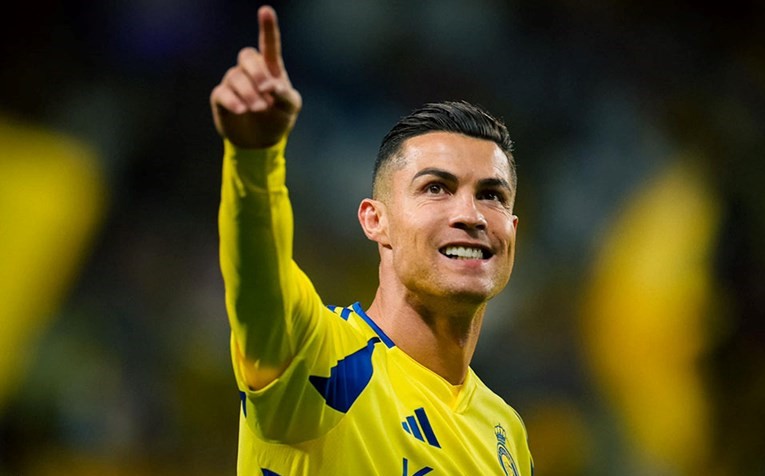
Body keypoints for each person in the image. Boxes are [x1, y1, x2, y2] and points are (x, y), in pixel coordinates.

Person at [210, 5, 533, 475]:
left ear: (513, 231)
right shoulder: (321, 358)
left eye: (491, 195)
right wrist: (254, 161)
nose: (470, 215)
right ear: (375, 220)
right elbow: (259, 283)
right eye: (436, 188)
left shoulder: (506, 432)